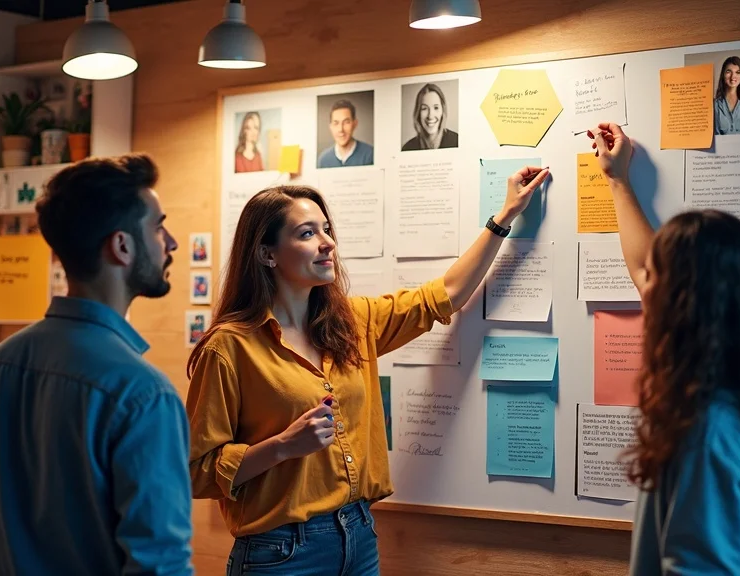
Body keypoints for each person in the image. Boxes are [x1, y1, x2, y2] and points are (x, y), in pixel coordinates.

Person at [185, 165, 550, 575]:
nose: (328, 244)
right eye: (307, 234)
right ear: (266, 253)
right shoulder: (229, 347)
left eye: (326, 230)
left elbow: (446, 294)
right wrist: (282, 446)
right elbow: (196, 472)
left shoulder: (354, 323)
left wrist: (504, 217)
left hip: (358, 537)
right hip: (281, 554)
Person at [587, 123, 740, 574]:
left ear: (685, 303)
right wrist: (617, 179)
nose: (644, 286)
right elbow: (642, 268)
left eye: (656, 278)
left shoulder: (709, 434)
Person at [0, 154, 193, 575]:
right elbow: (160, 566)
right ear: (122, 246)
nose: (170, 243)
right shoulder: (144, 394)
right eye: (158, 226)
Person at [317, 99, 374, 168]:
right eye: (336, 123)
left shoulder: (370, 155)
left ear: (355, 124)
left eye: (346, 122)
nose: (341, 129)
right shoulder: (323, 160)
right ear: (330, 127)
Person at [402, 83, 459, 151]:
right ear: (418, 113)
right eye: (424, 108)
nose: (430, 116)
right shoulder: (408, 148)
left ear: (443, 111)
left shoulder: (457, 141)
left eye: (436, 108)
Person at [714, 56, 740, 134]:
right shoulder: (715, 105)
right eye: (728, 71)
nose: (733, 76)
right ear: (723, 75)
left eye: (737, 72)